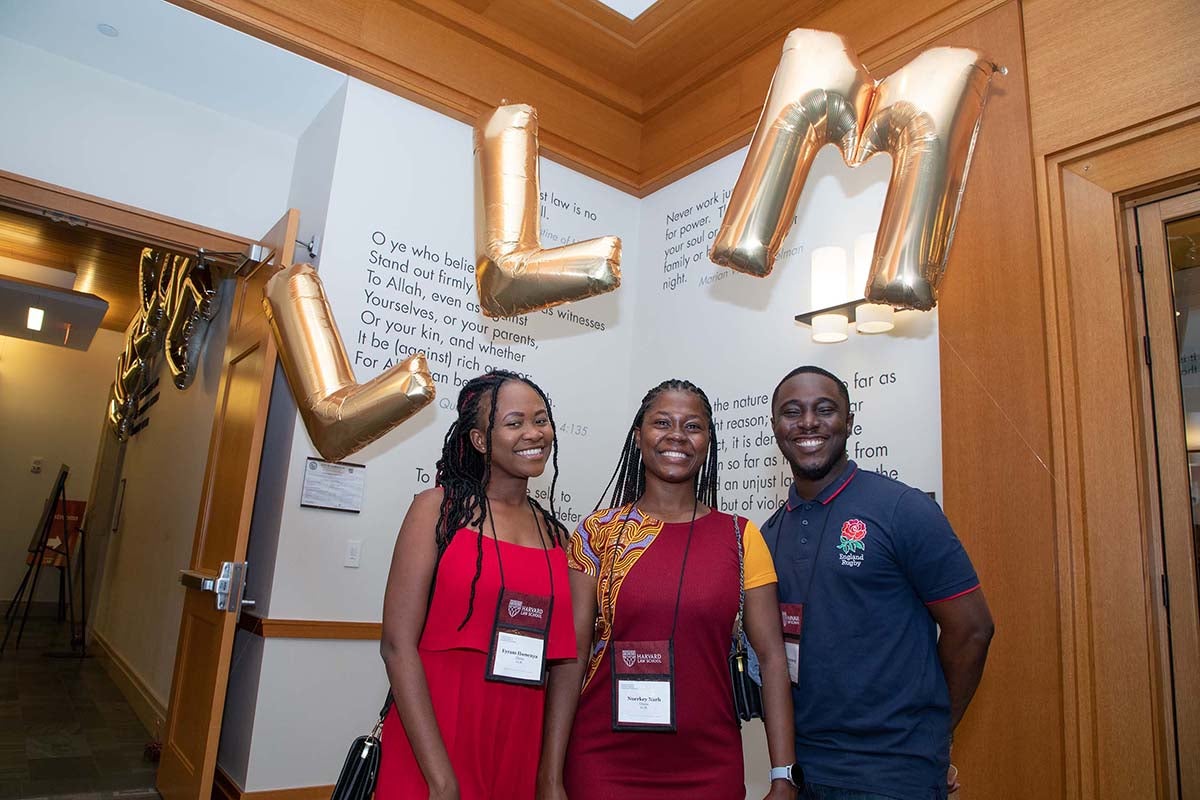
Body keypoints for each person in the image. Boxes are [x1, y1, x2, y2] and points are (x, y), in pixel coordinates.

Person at [539, 379, 800, 800]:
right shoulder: (596, 533)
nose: (676, 434)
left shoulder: (741, 537)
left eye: (692, 425)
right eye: (662, 422)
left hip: (708, 766)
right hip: (603, 761)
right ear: (639, 435)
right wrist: (550, 778)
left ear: (708, 441)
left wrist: (783, 775)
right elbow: (570, 658)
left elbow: (771, 660)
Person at [762, 365, 994, 800]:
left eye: (824, 409)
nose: (808, 422)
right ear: (776, 428)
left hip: (892, 775)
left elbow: (972, 630)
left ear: (849, 422)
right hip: (804, 773)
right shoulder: (769, 533)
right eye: (792, 412)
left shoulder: (901, 509)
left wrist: (932, 736)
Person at [378, 370, 578, 800]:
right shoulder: (437, 512)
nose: (533, 433)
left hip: (519, 744)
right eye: (514, 422)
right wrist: (441, 780)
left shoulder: (557, 536)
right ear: (480, 441)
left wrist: (551, 775)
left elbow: (564, 663)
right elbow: (396, 644)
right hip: (434, 741)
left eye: (541, 419)